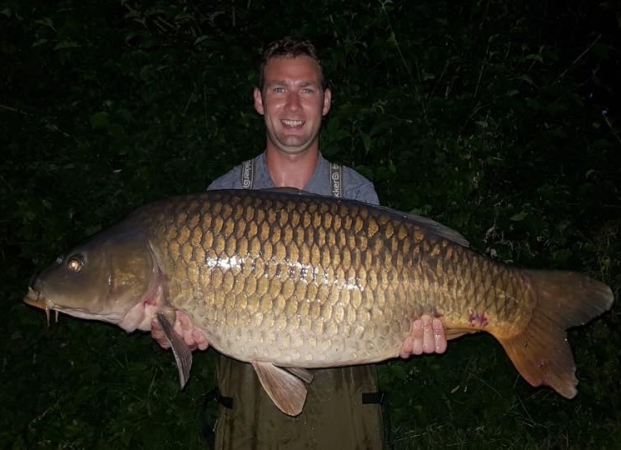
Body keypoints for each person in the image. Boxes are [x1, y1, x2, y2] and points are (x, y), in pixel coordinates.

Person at [151, 36, 447, 449]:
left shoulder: (358, 194)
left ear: (325, 101)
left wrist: (418, 330)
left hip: (344, 413)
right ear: (259, 100)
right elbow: (182, 319)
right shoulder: (222, 195)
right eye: (279, 89)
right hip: (248, 420)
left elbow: (391, 306)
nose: (293, 106)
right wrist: (172, 331)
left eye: (306, 90)